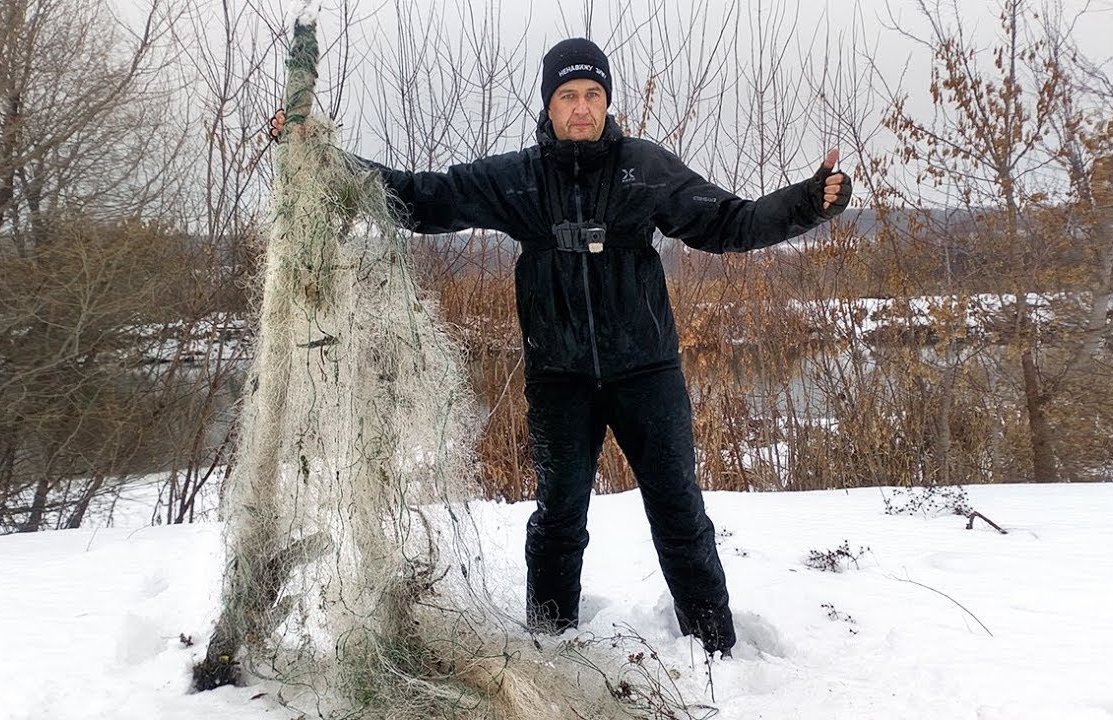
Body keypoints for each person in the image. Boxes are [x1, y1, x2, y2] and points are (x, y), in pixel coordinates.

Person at [270, 38, 851, 658]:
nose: (581, 108)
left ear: (607, 102)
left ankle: (714, 649)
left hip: (647, 372)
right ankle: (550, 644)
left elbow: (730, 222)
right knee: (557, 518)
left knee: (680, 512)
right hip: (559, 379)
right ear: (549, 104)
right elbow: (421, 198)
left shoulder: (643, 169)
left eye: (593, 95)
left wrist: (807, 203)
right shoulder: (518, 180)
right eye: (568, 95)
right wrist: (326, 160)